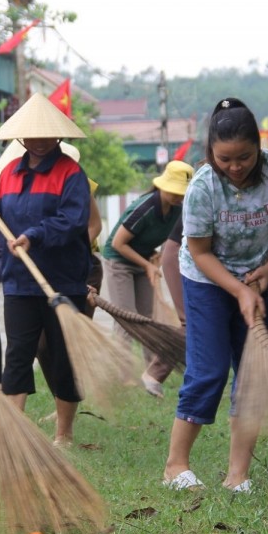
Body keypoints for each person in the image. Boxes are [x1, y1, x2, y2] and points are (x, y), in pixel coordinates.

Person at [162, 98, 268, 493]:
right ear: (210, 152)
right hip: (206, 280)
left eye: (243, 157)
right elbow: (199, 251)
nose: (234, 166)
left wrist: (267, 270)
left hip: (256, 274)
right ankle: (176, 466)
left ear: (259, 146)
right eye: (224, 158)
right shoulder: (202, 187)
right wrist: (238, 292)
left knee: (252, 374)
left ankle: (237, 476)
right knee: (208, 371)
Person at [0, 95, 91, 448]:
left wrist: (34, 235)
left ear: (58, 136)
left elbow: (73, 221)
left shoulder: (71, 174)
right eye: (31, 134)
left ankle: (64, 433)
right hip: (19, 281)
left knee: (61, 358)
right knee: (17, 355)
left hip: (62, 280)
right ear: (21, 137)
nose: (39, 140)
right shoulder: (9, 174)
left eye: (46, 134)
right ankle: (15, 434)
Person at [101, 161, 193, 399]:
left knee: (147, 320)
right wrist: (146, 265)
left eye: (181, 193)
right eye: (173, 191)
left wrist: (156, 260)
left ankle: (151, 374)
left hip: (142, 261)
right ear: (162, 185)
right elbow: (117, 244)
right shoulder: (146, 207)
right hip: (118, 261)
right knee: (126, 319)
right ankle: (124, 377)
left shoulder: (178, 211)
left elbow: (170, 243)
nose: (176, 196)